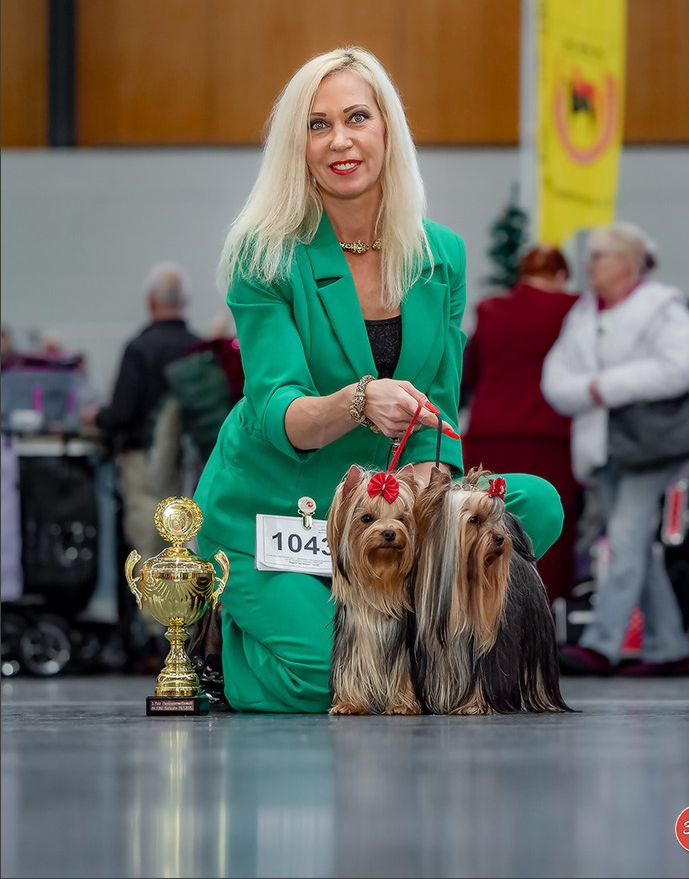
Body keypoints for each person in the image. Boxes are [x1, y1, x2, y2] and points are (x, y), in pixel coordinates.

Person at [193, 45, 564, 713]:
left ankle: (411, 637)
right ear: (296, 146)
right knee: (325, 683)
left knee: (531, 505)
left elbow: (443, 404)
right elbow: (277, 409)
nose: (340, 140)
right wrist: (360, 401)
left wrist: (434, 474)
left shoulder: (439, 254)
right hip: (281, 511)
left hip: (388, 508)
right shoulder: (265, 255)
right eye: (317, 124)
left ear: (387, 128)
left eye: (356, 117)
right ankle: (229, 644)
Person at [542, 222, 689, 677]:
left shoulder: (662, 307)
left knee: (624, 541)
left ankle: (600, 645)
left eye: (600, 255)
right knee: (633, 545)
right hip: (605, 449)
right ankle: (669, 645)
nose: (589, 265)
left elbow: (683, 365)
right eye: (590, 255)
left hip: (654, 447)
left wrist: (602, 387)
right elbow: (555, 382)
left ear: (628, 263)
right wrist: (595, 390)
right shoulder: (582, 314)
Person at [462, 244, 581, 602]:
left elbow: (469, 371)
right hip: (547, 434)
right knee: (544, 530)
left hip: (487, 432)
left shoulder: (491, 309)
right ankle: (537, 611)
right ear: (561, 275)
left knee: (479, 524)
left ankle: (478, 606)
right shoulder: (571, 309)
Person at [81, 262, 200, 558]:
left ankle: (150, 607)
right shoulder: (200, 349)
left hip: (144, 466)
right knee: (188, 552)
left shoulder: (139, 348)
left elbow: (121, 414)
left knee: (150, 552)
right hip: (192, 466)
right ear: (185, 301)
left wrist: (95, 417)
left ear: (150, 301)